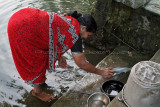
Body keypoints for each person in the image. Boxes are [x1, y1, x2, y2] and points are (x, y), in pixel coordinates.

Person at [7, 8, 114, 102]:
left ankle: (41, 82)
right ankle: (37, 92)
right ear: (83, 28)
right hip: (21, 29)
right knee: (34, 60)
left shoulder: (70, 19)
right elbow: (82, 63)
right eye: (88, 35)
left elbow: (53, 35)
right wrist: (101, 72)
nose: (85, 37)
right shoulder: (75, 33)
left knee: (43, 54)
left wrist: (59, 56)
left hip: (22, 16)